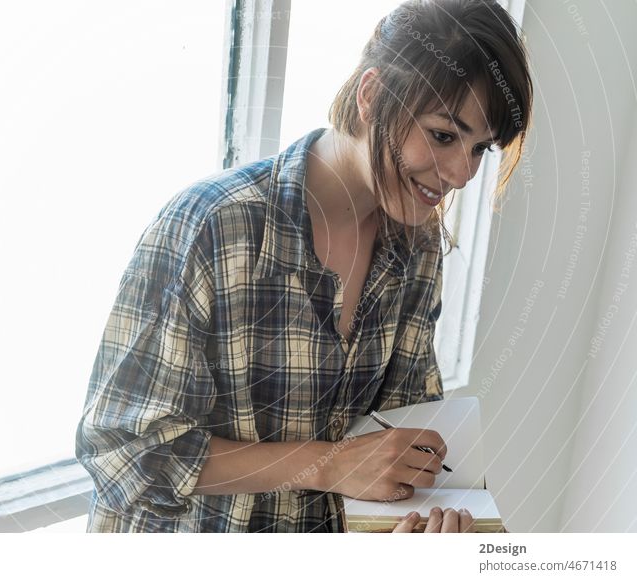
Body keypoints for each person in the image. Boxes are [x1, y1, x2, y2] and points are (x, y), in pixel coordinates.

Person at [76, 0, 532, 533]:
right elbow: (124, 451)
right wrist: (331, 463)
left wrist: (415, 524)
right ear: (372, 95)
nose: (460, 174)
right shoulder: (214, 227)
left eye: (481, 149)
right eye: (442, 135)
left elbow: (402, 436)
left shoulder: (418, 245)